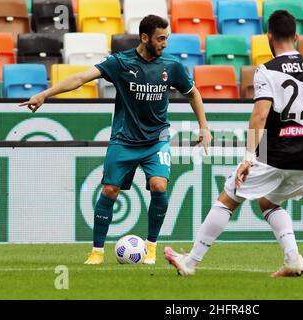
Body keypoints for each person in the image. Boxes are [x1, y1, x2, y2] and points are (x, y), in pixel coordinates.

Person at [164, 10, 303, 277]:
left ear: (268, 37)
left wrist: (249, 157)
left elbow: (259, 116)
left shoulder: (267, 70)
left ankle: (190, 262)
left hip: (273, 154)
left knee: (227, 199)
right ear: (296, 36)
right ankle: (293, 259)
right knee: (269, 203)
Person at [19, 15, 211, 265]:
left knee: (159, 186)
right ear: (145, 38)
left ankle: (151, 247)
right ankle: (97, 251)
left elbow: (192, 93)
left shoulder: (171, 65)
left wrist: (204, 127)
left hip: (157, 139)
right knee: (110, 190)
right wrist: (45, 94)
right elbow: (80, 78)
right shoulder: (120, 62)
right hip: (124, 139)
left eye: (167, 38)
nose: (165, 44)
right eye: (160, 39)